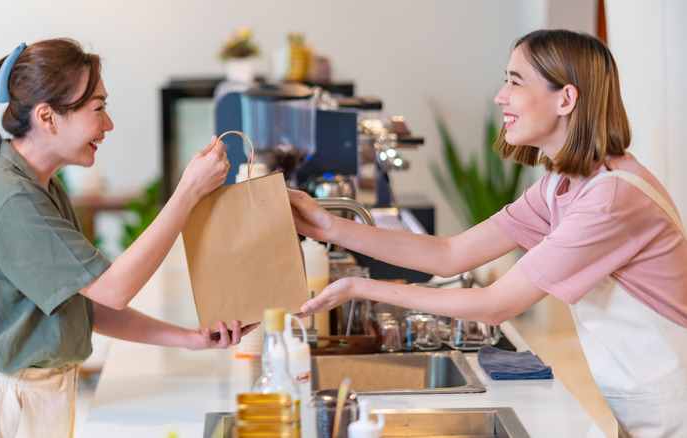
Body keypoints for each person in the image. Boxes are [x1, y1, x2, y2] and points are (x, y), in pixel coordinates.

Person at [290, 29, 687, 438]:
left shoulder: (611, 197)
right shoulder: (561, 186)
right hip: (640, 406)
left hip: (674, 409)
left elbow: (495, 304)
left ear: (565, 99)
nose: (500, 97)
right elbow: (449, 254)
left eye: (515, 81)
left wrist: (360, 287)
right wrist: (329, 225)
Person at [0, 38, 254, 437]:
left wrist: (188, 339)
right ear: (47, 118)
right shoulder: (12, 200)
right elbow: (114, 290)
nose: (108, 123)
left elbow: (87, 303)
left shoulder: (39, 186)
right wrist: (187, 193)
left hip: (28, 401)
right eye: (98, 108)